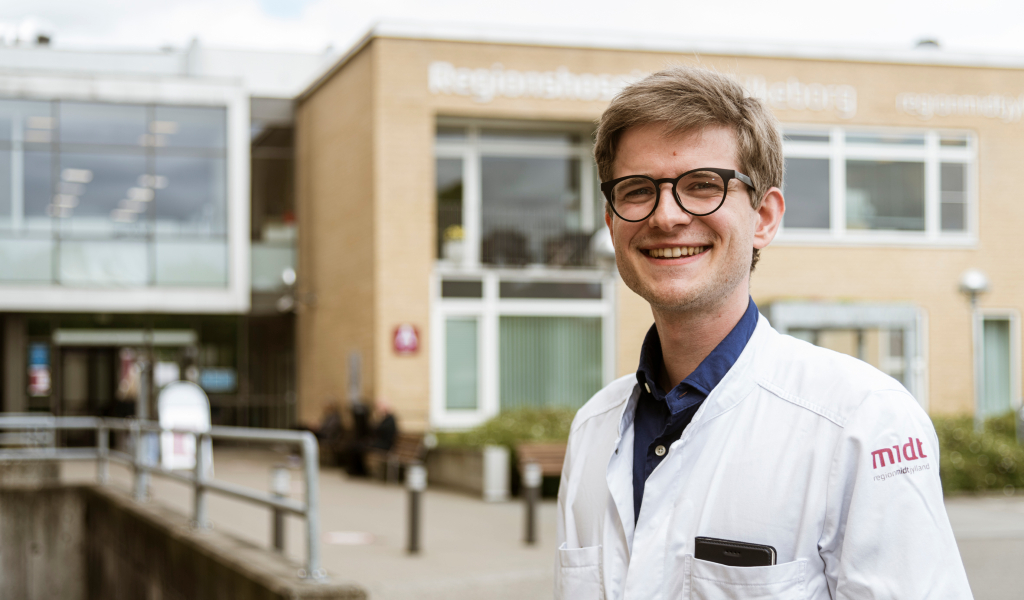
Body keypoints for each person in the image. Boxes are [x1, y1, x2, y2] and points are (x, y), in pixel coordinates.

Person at [555, 66, 972, 600]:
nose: (666, 216)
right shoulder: (592, 430)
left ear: (765, 217)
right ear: (611, 224)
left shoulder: (863, 422)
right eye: (637, 191)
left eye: (702, 186)